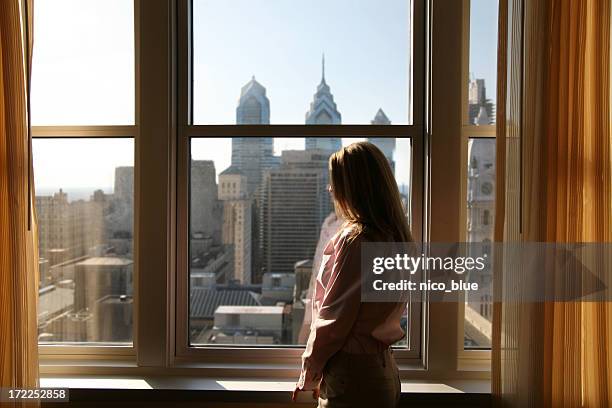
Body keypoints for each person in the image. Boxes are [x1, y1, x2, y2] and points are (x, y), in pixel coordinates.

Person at [292, 141, 412, 407]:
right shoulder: (398, 239)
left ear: (353, 188)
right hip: (383, 370)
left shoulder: (355, 241)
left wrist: (309, 374)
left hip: (353, 376)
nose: (330, 189)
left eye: (335, 183)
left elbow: (333, 320)